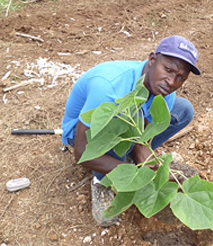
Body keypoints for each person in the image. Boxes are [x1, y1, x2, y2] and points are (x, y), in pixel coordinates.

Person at [62, 36, 200, 226]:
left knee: (183, 110)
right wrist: (132, 174)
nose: (171, 81)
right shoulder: (109, 87)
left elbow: (143, 136)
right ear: (152, 60)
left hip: (126, 124)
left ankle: (124, 161)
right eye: (168, 69)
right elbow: (82, 152)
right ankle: (101, 181)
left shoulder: (165, 90)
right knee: (118, 128)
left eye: (181, 78)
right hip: (84, 134)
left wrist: (148, 169)